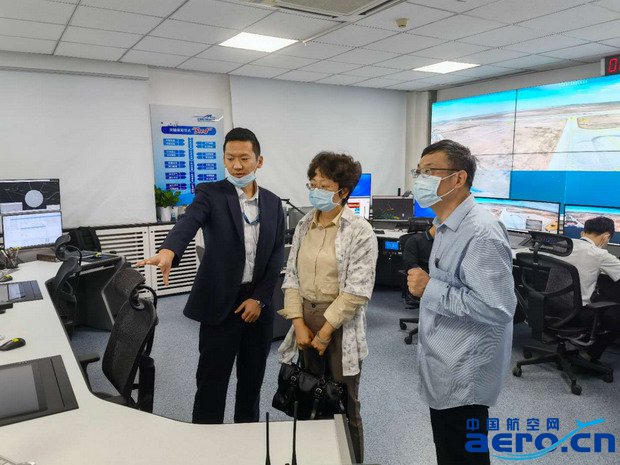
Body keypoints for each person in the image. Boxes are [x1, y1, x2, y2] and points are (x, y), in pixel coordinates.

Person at [137, 127, 284, 424]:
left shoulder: (273, 203)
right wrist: (169, 250)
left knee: (251, 382)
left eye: (244, 158)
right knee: (211, 383)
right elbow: (189, 221)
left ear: (259, 161)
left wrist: (259, 299)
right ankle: (206, 439)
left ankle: (246, 435)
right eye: (230, 158)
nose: (236, 165)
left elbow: (275, 255)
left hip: (257, 307)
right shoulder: (211, 194)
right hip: (221, 304)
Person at [407, 140, 516, 465]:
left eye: (429, 172)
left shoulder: (481, 233)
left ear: (458, 178)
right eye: (418, 172)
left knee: (464, 457)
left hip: (464, 377)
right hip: (445, 368)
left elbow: (498, 308)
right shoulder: (446, 226)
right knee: (450, 453)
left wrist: (430, 288)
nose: (420, 180)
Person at [277, 152, 378, 464]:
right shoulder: (305, 224)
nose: (316, 189)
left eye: (324, 185)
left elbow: (356, 291)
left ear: (343, 191)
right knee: (309, 393)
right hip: (305, 320)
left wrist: (324, 333)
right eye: (313, 183)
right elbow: (292, 276)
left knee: (343, 401)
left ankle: (350, 459)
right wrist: (298, 323)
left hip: (339, 324)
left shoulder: (359, 230)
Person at [555, 216, 620, 360]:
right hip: (574, 315)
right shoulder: (600, 254)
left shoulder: (561, 246)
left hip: (547, 307)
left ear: (583, 233)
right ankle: (590, 355)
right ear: (606, 236)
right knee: (616, 309)